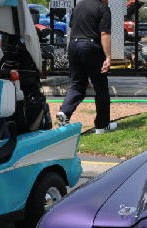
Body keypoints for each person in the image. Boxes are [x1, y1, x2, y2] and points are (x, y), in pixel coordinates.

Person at [56, 0, 117, 134]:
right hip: (90, 46)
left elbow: (72, 27)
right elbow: (104, 34)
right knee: (100, 85)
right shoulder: (103, 9)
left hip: (74, 45)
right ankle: (102, 125)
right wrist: (108, 57)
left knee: (77, 84)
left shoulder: (79, 6)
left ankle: (64, 112)